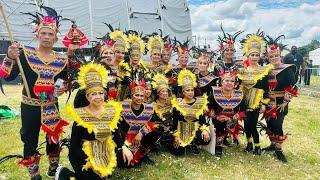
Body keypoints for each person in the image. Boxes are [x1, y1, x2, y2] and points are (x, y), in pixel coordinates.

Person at [0, 6, 83, 179]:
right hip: (29, 106)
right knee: (29, 138)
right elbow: (7, 76)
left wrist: (64, 87)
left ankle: (53, 169)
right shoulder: (24, 54)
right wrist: (9, 57)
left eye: (50, 34)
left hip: (51, 105)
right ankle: (34, 175)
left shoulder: (61, 59)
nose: (46, 37)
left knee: (53, 138)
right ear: (37, 34)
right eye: (43, 33)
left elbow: (66, 80)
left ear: (55, 37)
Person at [58, 63, 131, 179]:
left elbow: (115, 132)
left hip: (103, 152)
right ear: (87, 97)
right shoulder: (81, 116)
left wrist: (124, 147)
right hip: (82, 155)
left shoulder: (111, 111)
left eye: (101, 93)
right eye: (93, 94)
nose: (98, 96)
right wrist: (92, 165)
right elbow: (74, 147)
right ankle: (64, 174)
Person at [262, 35, 297, 163]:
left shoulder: (287, 69)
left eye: (276, 56)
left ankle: (278, 149)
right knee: (269, 124)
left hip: (280, 103)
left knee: (278, 124)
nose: (274, 58)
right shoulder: (266, 70)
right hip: (268, 102)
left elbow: (292, 86)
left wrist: (286, 102)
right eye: (271, 57)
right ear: (268, 58)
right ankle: (272, 144)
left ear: (280, 56)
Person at [238, 32, 273, 155]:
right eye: (252, 55)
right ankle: (249, 144)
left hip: (256, 101)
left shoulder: (263, 70)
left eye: (256, 55)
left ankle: (257, 146)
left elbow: (266, 89)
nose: (254, 57)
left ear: (260, 56)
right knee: (246, 125)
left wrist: (264, 104)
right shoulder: (242, 70)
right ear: (248, 56)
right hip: (244, 101)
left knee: (252, 125)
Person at [118, 80, 159, 166]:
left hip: (141, 138)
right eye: (137, 95)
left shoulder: (149, 108)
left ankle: (143, 152)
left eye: (142, 96)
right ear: (132, 96)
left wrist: (141, 133)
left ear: (144, 97)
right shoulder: (122, 107)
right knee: (125, 163)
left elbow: (155, 123)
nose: (139, 98)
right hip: (126, 138)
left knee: (155, 132)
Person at [170, 70, 210, 155]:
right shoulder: (177, 103)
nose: (190, 92)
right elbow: (175, 122)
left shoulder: (200, 102)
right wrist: (175, 136)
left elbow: (203, 120)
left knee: (205, 139)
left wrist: (205, 130)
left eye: (192, 90)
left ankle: (194, 143)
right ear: (183, 92)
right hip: (182, 130)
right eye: (188, 90)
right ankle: (186, 144)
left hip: (195, 129)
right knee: (177, 152)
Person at [118, 32, 151, 100]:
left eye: (137, 56)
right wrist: (123, 81)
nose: (135, 58)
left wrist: (148, 89)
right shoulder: (124, 67)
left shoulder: (144, 69)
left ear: (140, 57)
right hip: (125, 97)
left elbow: (148, 82)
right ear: (130, 56)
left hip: (140, 98)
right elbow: (118, 82)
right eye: (133, 55)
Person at [151, 73, 173, 150]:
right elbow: (154, 120)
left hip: (171, 125)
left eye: (166, 91)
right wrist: (163, 126)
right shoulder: (154, 104)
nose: (165, 93)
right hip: (160, 126)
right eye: (163, 91)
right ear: (158, 93)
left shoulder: (172, 101)